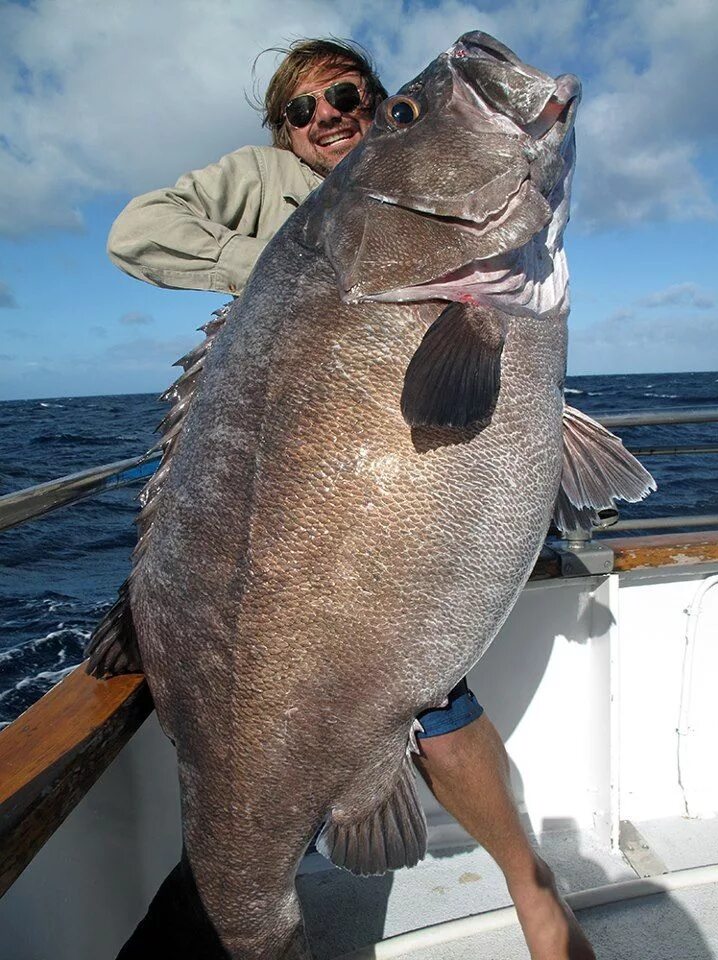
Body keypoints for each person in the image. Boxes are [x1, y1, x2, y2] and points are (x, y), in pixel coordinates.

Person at [108, 38, 596, 960]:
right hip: (268, 522)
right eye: (303, 110)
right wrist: (281, 258)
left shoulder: (406, 199)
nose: (328, 116)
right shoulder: (261, 183)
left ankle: (530, 886)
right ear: (283, 131)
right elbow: (135, 232)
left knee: (435, 694)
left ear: (370, 104)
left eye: (356, 99)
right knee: (223, 686)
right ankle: (239, 897)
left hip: (376, 524)